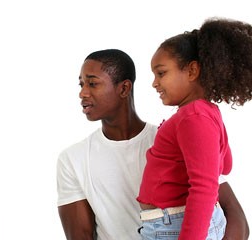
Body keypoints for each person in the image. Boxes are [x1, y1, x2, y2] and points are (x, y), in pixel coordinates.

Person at [56, 49, 249, 239]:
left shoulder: (175, 138)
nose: (83, 93)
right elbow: (80, 236)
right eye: (81, 84)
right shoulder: (72, 159)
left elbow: (235, 216)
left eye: (92, 83)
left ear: (124, 88)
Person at [136, 17, 252, 240]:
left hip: (176, 227)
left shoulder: (193, 117)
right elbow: (225, 165)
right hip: (172, 224)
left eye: (161, 73)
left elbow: (205, 189)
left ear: (192, 71)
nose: (154, 83)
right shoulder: (205, 113)